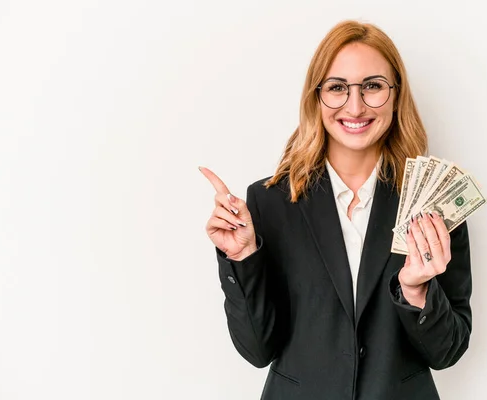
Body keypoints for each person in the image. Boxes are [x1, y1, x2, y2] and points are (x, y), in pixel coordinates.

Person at [200, 20, 472, 400]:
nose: (355, 105)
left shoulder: (433, 201)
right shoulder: (269, 201)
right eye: (337, 88)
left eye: (373, 86)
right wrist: (242, 256)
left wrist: (417, 291)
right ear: (317, 97)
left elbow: (448, 351)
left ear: (396, 95)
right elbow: (257, 350)